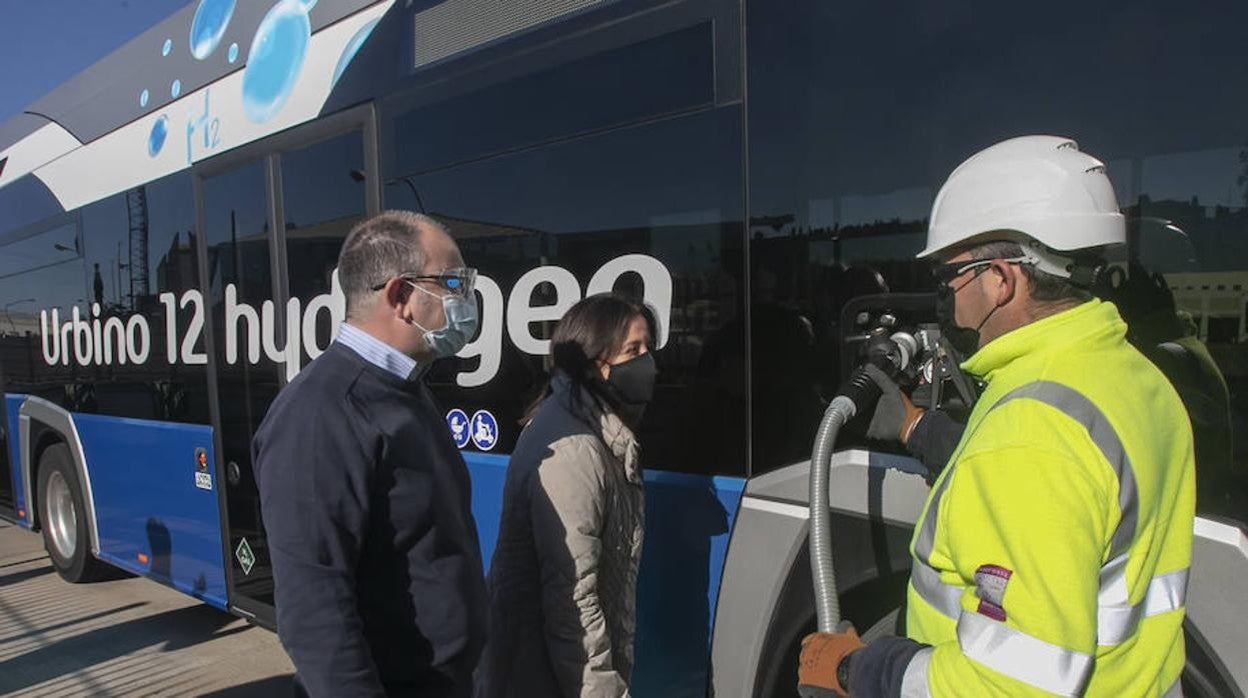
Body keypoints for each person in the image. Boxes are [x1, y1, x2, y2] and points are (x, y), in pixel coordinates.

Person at [798, 136, 1196, 697]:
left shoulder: (1027, 439)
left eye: (950, 278)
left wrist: (859, 670)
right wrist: (918, 426)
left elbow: (1009, 686)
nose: (947, 300)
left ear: (1001, 279)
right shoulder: (1133, 379)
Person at [253, 211, 487, 697]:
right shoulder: (320, 415)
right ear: (400, 296)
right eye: (453, 283)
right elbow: (315, 614)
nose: (467, 299)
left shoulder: (408, 388)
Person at [478, 293, 654, 698]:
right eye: (633, 350)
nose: (648, 361)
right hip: (539, 677)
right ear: (596, 362)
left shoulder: (600, 429)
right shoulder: (575, 449)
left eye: (648, 348)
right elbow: (573, 598)